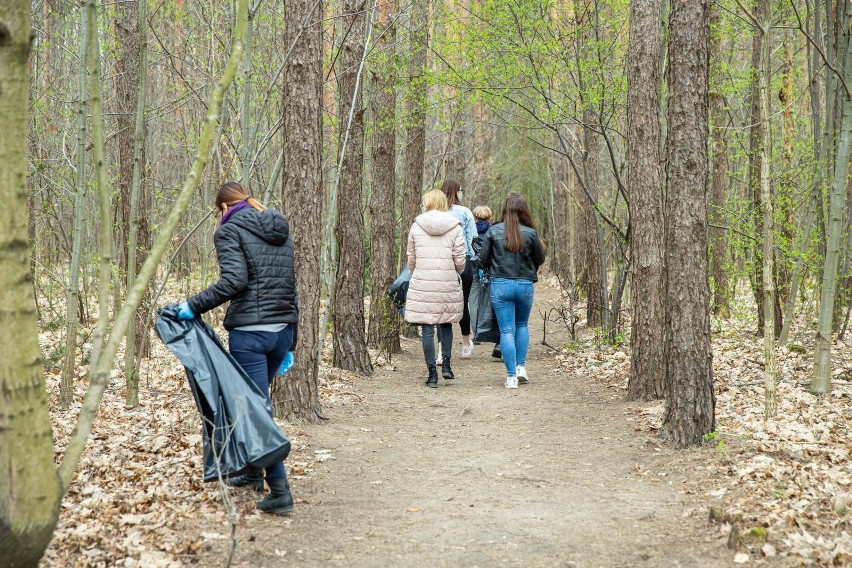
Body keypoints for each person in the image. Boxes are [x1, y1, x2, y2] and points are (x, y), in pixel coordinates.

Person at [177, 181, 298, 515]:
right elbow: (290, 288)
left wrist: (193, 306)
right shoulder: (280, 230)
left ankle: (280, 492)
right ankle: (252, 473)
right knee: (255, 403)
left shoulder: (228, 231)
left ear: (222, 208)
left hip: (251, 336)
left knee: (254, 411)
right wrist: (292, 343)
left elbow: (234, 281)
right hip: (281, 333)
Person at [478, 193, 545, 389]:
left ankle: (510, 378)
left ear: (505, 209)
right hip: (524, 284)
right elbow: (540, 259)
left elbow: (482, 259)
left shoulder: (493, 231)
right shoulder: (530, 234)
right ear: (523, 210)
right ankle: (520, 368)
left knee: (506, 330)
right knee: (522, 325)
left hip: (500, 284)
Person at [404, 189, 466, 388]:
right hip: (447, 280)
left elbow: (411, 259)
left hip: (423, 281)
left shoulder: (416, 226)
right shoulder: (455, 227)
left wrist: (417, 272)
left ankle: (432, 374)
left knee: (427, 327)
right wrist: (456, 270)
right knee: (446, 322)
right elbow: (460, 259)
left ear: (427, 203)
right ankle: (446, 365)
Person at [440, 179, 477, 359]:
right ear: (455, 192)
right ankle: (465, 344)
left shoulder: (432, 212)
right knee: (463, 303)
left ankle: (441, 349)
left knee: (441, 306)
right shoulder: (464, 212)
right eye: (461, 190)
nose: (462, 193)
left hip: (439, 263)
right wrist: (474, 260)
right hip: (464, 261)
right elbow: (473, 238)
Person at [470, 205, 501, 360]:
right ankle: (490, 329)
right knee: (491, 299)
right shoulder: (493, 230)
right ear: (489, 216)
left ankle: (476, 333)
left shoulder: (472, 230)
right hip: (490, 269)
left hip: (474, 266)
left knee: (474, 299)